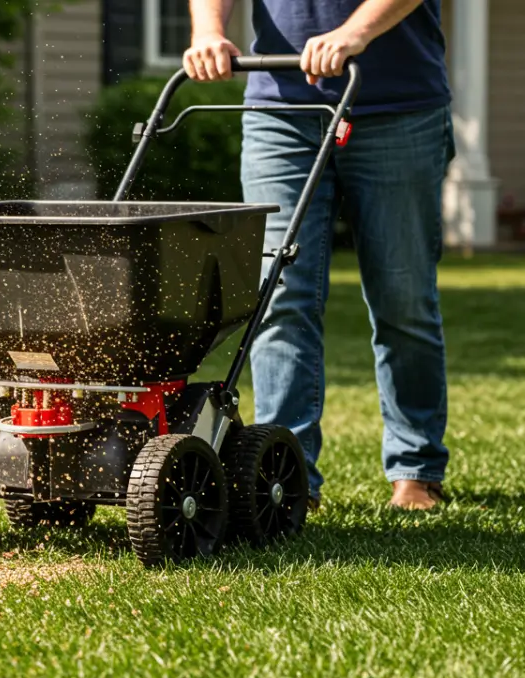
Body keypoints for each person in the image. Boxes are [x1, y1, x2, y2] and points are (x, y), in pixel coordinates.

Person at [183, 0, 453, 510]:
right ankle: (287, 476)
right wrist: (208, 31)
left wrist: (355, 32)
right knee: (280, 295)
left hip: (398, 109)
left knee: (403, 296)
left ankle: (416, 469)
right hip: (280, 111)